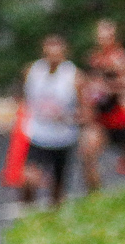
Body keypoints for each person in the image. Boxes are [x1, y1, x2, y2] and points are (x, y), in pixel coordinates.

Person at [21, 33, 81, 207]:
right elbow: (23, 100)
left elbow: (84, 108)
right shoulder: (32, 71)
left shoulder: (74, 75)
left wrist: (71, 117)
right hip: (38, 134)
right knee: (29, 179)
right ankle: (28, 211)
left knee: (57, 187)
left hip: (63, 137)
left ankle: (55, 214)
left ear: (64, 53)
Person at [79, 19, 125, 188]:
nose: (103, 40)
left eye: (107, 36)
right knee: (88, 151)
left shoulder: (120, 57)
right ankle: (95, 195)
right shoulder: (93, 58)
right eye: (100, 36)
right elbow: (88, 85)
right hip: (99, 116)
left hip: (118, 114)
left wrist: (108, 87)